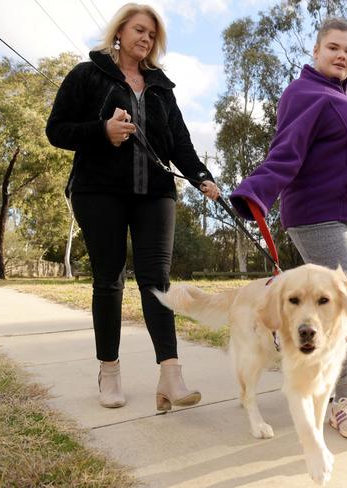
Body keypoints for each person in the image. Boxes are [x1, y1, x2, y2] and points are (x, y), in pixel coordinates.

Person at [46, 3, 220, 410]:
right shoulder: (88, 75)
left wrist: (202, 177)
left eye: (152, 35)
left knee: (157, 280)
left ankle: (171, 375)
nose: (146, 39)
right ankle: (109, 371)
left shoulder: (160, 87)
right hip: (99, 191)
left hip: (155, 193)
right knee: (108, 278)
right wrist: (101, 131)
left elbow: (179, 143)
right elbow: (56, 130)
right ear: (119, 31)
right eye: (140, 30)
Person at [230, 18, 347, 440]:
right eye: (334, 48)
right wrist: (255, 192)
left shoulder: (343, 98)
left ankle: (326, 386)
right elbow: (287, 150)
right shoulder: (305, 92)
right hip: (321, 214)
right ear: (316, 51)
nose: (342, 56)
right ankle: (344, 401)